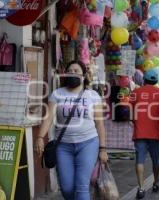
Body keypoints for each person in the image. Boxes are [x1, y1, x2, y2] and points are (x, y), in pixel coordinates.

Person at [35, 61, 108, 200]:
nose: (72, 73)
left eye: (76, 71)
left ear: (84, 75)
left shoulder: (92, 95)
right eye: (70, 71)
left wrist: (103, 149)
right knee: (67, 187)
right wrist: (39, 137)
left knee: (81, 186)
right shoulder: (57, 94)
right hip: (63, 146)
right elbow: (49, 117)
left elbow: (99, 123)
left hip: (88, 144)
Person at [129, 69, 159, 199]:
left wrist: (134, 120)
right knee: (156, 160)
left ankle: (141, 188)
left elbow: (128, 109)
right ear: (156, 80)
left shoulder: (135, 92)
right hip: (156, 132)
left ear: (144, 80)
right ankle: (156, 182)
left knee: (140, 160)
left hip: (140, 131)